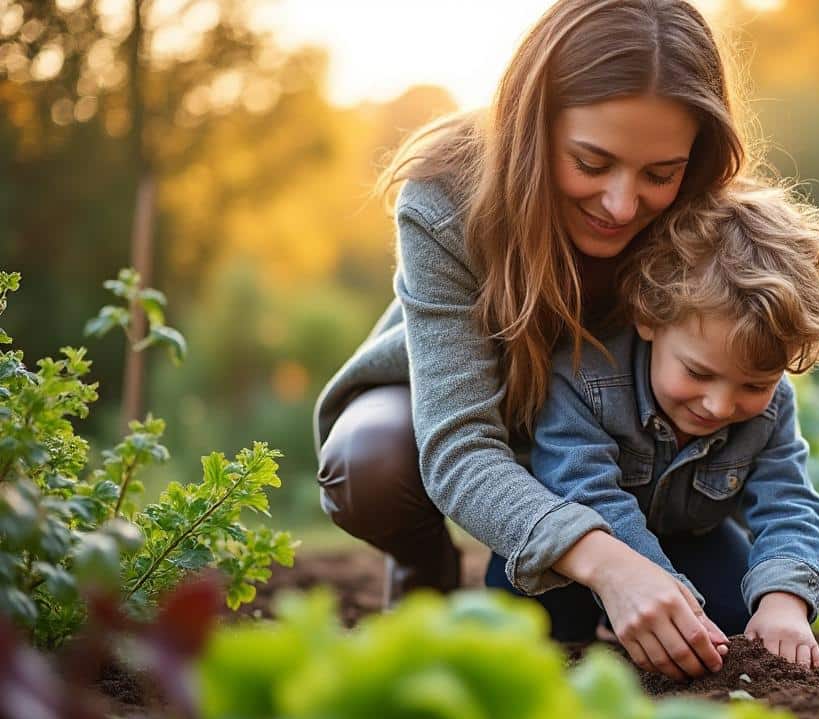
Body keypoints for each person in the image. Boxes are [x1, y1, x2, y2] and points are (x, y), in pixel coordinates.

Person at [314, 0, 753, 681]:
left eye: (658, 174)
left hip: (615, 455)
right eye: (591, 161)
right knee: (369, 464)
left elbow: (746, 372)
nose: (620, 204)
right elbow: (460, 447)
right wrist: (609, 564)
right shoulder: (446, 197)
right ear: (532, 122)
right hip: (475, 421)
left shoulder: (702, 216)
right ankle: (422, 565)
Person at [495, 180, 819, 671]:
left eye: (754, 385)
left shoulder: (772, 409)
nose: (720, 405)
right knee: (521, 615)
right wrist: (657, 591)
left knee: (732, 623)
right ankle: (597, 624)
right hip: (581, 552)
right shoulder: (585, 379)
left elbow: (789, 502)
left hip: (693, 538)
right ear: (650, 317)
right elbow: (585, 493)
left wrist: (783, 602)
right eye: (698, 373)